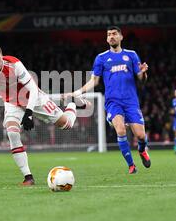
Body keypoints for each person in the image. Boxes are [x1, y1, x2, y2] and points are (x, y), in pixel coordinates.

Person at [0, 42, 89, 185]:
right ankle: (28, 177)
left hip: (34, 98)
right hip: (12, 103)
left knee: (66, 124)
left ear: (2, 55)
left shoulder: (14, 64)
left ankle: (73, 103)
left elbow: (32, 89)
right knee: (12, 133)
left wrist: (29, 113)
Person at [64, 26, 150, 174]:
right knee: (121, 129)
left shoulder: (131, 55)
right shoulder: (101, 58)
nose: (111, 36)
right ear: (106, 38)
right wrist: (78, 91)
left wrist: (143, 73)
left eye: (114, 34)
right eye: (109, 34)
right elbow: (94, 81)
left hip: (131, 101)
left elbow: (141, 79)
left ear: (121, 37)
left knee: (141, 136)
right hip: (113, 102)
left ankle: (142, 151)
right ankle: (131, 165)